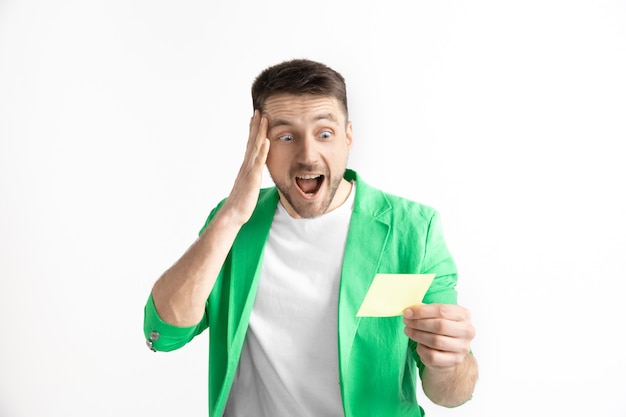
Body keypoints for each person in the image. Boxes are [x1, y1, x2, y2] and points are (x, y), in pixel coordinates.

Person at [143, 58, 478, 417]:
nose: (307, 155)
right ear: (260, 145)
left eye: (324, 134)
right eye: (286, 136)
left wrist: (447, 361)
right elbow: (163, 333)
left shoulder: (414, 229)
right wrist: (231, 216)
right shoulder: (234, 224)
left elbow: (451, 394)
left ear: (348, 136)